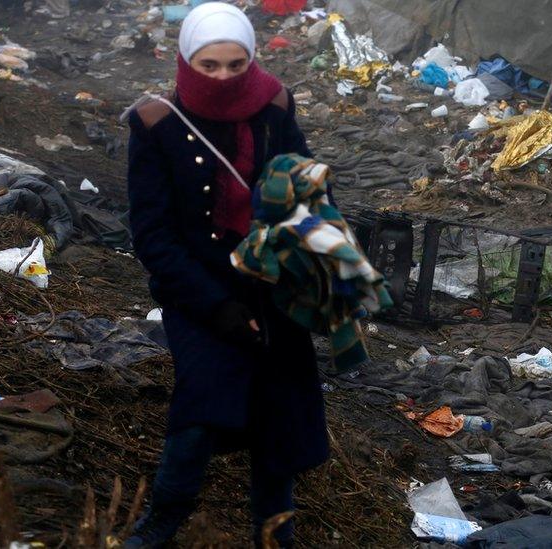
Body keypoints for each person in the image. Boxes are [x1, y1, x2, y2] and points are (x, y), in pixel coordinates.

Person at [123, 3, 327, 547]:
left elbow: (307, 191)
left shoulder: (275, 106)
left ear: (252, 58)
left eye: (236, 64)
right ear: (187, 60)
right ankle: (164, 517)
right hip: (198, 287)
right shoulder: (156, 123)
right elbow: (153, 233)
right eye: (209, 65)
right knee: (204, 396)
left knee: (278, 404)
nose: (223, 76)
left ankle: (274, 528)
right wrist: (215, 306)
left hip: (272, 282)